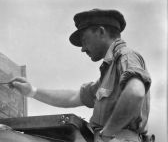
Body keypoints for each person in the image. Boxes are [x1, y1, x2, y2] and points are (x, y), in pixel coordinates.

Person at [10, 9, 151, 142]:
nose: (83, 49)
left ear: (101, 31)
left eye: (84, 40)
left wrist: (107, 133)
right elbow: (74, 97)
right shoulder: (107, 75)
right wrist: (32, 91)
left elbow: (135, 93)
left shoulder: (126, 55)